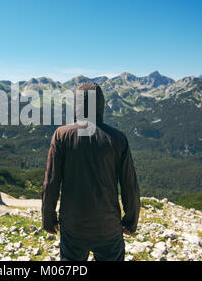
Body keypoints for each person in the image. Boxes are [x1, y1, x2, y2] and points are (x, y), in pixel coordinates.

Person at [42, 82, 140, 261]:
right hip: (108, 226)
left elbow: (51, 182)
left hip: (73, 226)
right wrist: (130, 222)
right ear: (101, 104)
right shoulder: (118, 138)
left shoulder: (62, 135)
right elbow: (129, 185)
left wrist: (49, 219)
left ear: (76, 105)